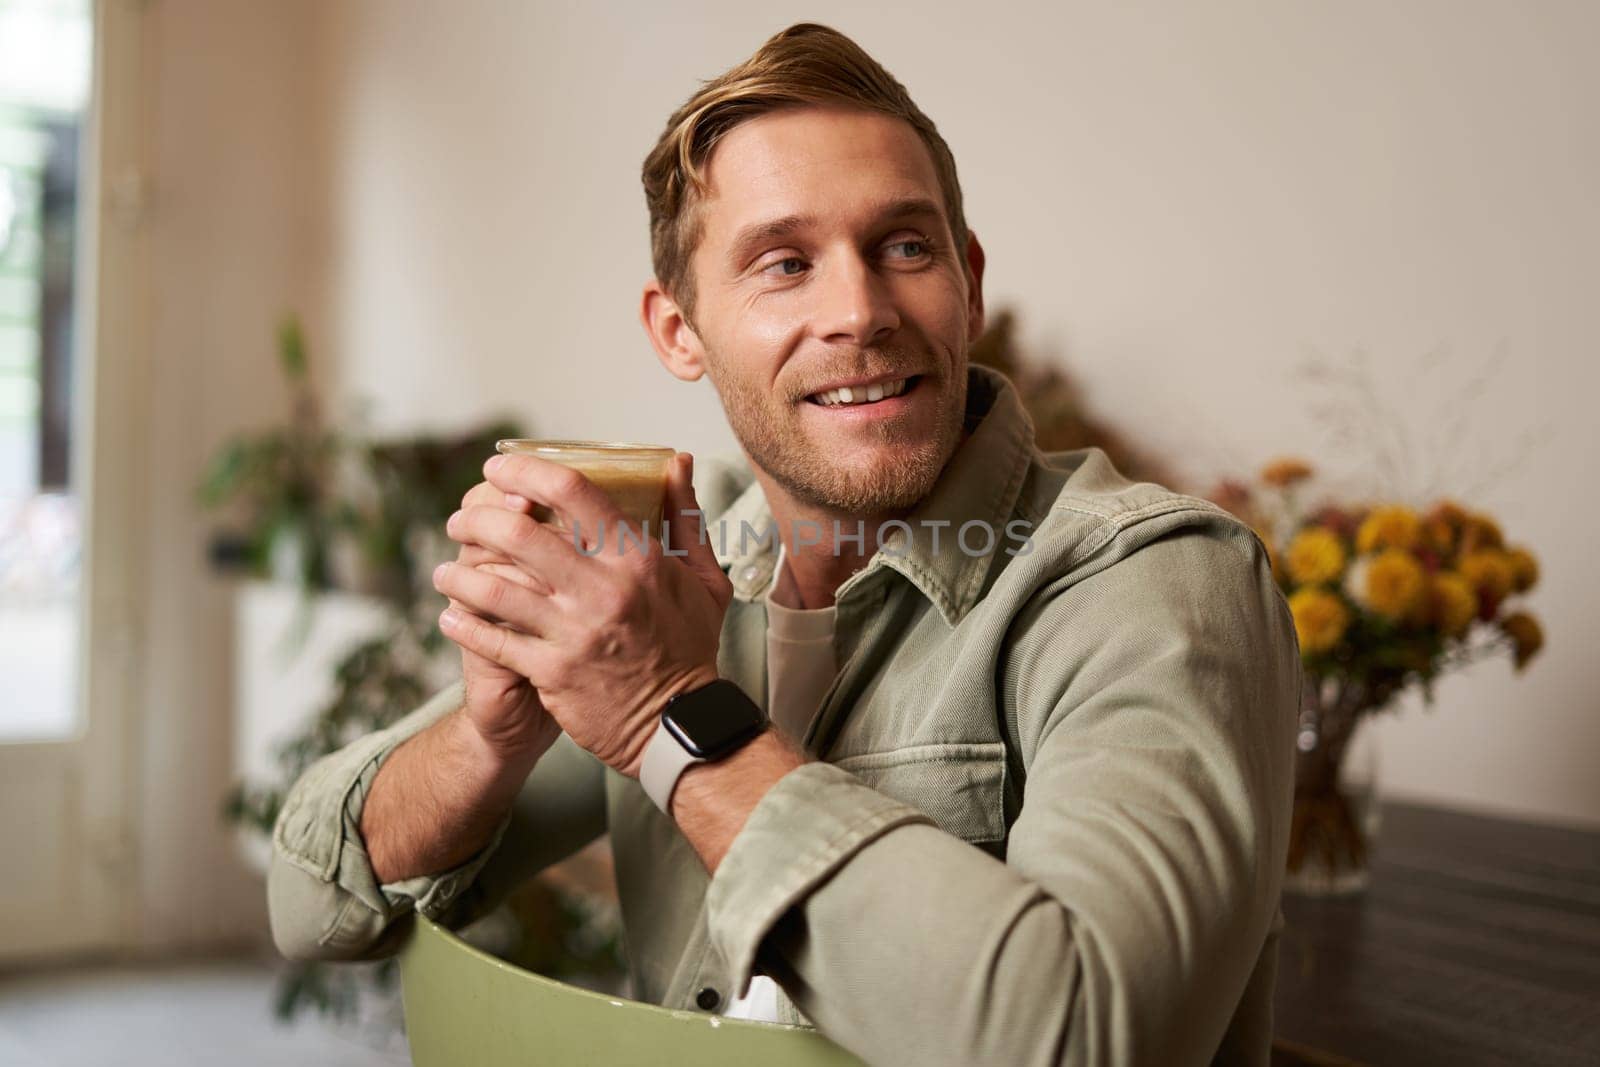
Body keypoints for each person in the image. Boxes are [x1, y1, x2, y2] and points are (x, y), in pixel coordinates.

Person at [267, 22, 1300, 1067]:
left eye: (904, 245)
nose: (858, 311)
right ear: (679, 330)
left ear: (968, 281)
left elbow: (1093, 1039)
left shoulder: (1152, 581)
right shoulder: (672, 571)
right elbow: (312, 904)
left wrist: (665, 713)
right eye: (783, 263)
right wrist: (489, 737)